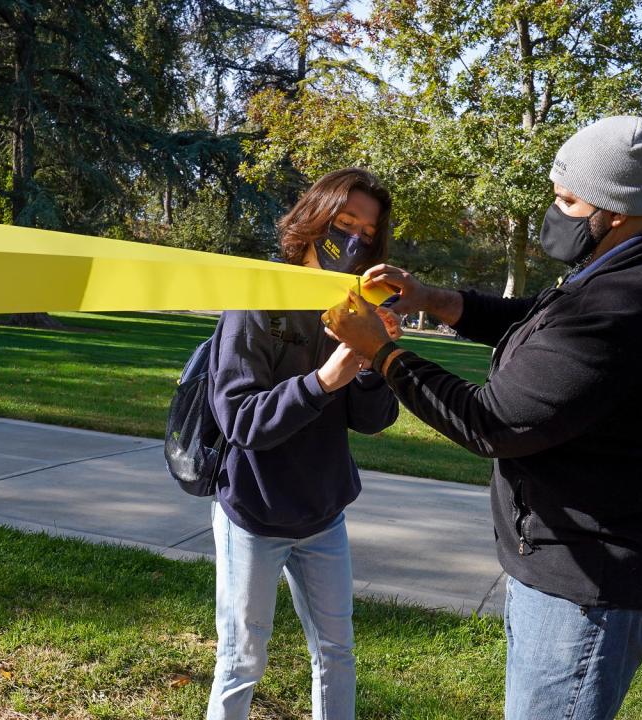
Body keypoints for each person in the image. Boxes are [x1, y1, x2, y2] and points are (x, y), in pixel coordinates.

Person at [324, 117, 642, 720]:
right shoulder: (634, 266)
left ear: (614, 210)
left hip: (592, 578)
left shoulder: (630, 298)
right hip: (579, 560)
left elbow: (492, 422)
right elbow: (539, 318)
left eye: (567, 200)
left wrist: (380, 351)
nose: (553, 212)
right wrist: (434, 299)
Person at [205, 168, 401, 720]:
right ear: (314, 220)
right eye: (345, 222)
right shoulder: (259, 297)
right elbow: (241, 420)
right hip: (254, 514)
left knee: (337, 654)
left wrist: (375, 359)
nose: (355, 238)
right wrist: (323, 381)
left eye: (367, 231)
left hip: (323, 515)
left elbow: (373, 419)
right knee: (241, 660)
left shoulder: (354, 303)